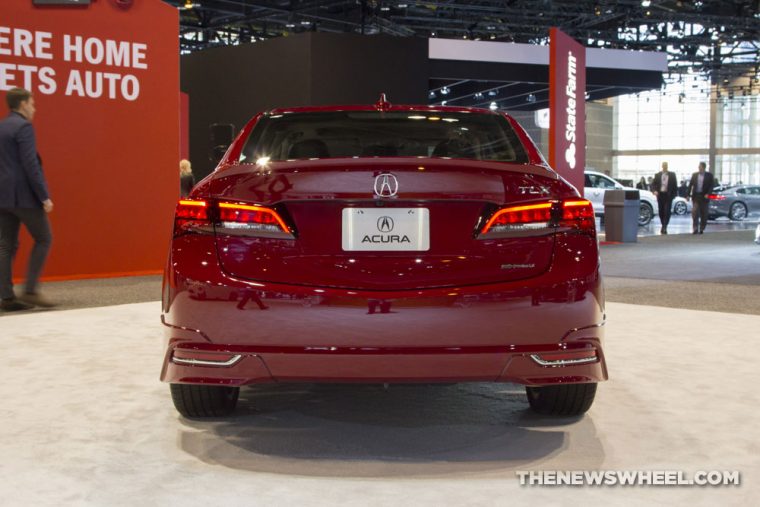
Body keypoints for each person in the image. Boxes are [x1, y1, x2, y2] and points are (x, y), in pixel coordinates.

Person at [0, 88, 55, 311]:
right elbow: (30, 165)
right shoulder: (23, 127)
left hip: (2, 197)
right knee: (43, 238)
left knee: (5, 245)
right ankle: (31, 289)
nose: (34, 108)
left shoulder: (2, 126)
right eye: (32, 104)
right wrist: (44, 196)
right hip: (23, 196)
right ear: (22, 104)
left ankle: (6, 296)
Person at [686, 161, 715, 234]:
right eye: (698, 167)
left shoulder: (709, 175)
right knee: (695, 212)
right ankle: (695, 228)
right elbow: (690, 185)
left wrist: (708, 194)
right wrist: (688, 195)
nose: (699, 168)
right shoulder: (695, 175)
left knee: (704, 213)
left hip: (704, 197)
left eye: (700, 167)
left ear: (703, 168)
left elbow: (711, 186)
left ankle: (702, 227)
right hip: (696, 196)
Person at [652, 161, 678, 234]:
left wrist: (674, 195)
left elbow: (675, 185)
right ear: (662, 166)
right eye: (664, 165)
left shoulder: (672, 175)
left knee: (667, 211)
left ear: (667, 166)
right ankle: (663, 224)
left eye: (666, 165)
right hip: (660, 195)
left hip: (668, 195)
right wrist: (654, 191)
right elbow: (653, 184)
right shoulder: (657, 175)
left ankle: (665, 226)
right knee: (661, 211)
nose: (665, 167)